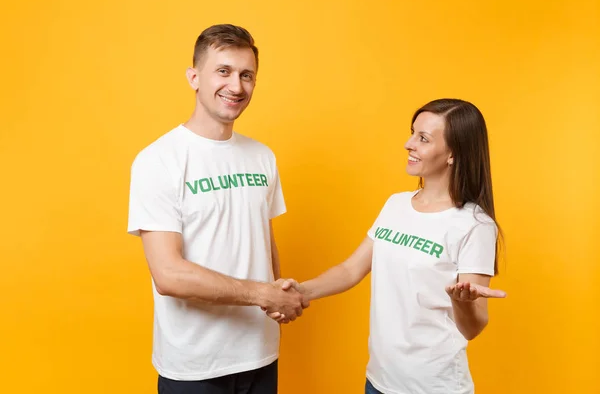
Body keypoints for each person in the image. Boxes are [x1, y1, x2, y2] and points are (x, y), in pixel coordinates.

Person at [268, 98, 507, 393]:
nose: (409, 144)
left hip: (432, 386)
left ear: (452, 154)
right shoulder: (396, 205)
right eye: (412, 133)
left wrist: (462, 302)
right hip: (378, 380)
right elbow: (350, 269)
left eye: (423, 138)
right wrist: (299, 292)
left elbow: (473, 327)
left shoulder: (474, 225)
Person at [127, 24, 307, 394]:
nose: (236, 86)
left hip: (260, 354)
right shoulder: (158, 160)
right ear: (194, 77)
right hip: (194, 366)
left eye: (247, 75)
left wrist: (278, 292)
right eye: (223, 71)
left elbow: (263, 237)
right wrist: (263, 294)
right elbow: (168, 275)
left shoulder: (262, 156)